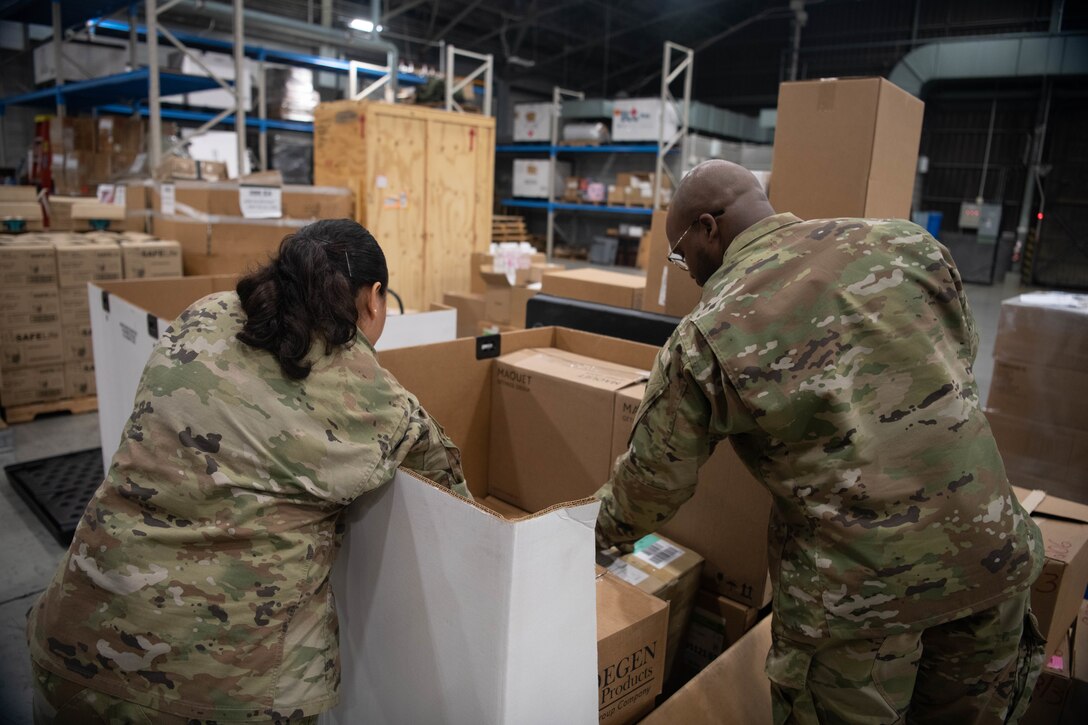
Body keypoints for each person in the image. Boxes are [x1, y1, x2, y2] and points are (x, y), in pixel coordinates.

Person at [595, 160, 1045, 723]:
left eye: (681, 252)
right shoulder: (906, 244)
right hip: (992, 561)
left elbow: (654, 481)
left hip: (857, 601)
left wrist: (588, 535)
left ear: (710, 226)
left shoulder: (711, 328)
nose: (686, 271)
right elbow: (959, 357)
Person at [27, 219, 470, 724]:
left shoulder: (204, 313)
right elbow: (452, 490)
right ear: (373, 298)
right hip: (223, 689)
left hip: (69, 645)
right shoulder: (374, 397)